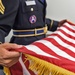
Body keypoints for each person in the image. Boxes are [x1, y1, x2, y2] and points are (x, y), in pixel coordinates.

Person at [0, 0, 67, 75]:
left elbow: (38, 19)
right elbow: (1, 26)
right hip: (24, 49)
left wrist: (57, 24)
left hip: (40, 46)